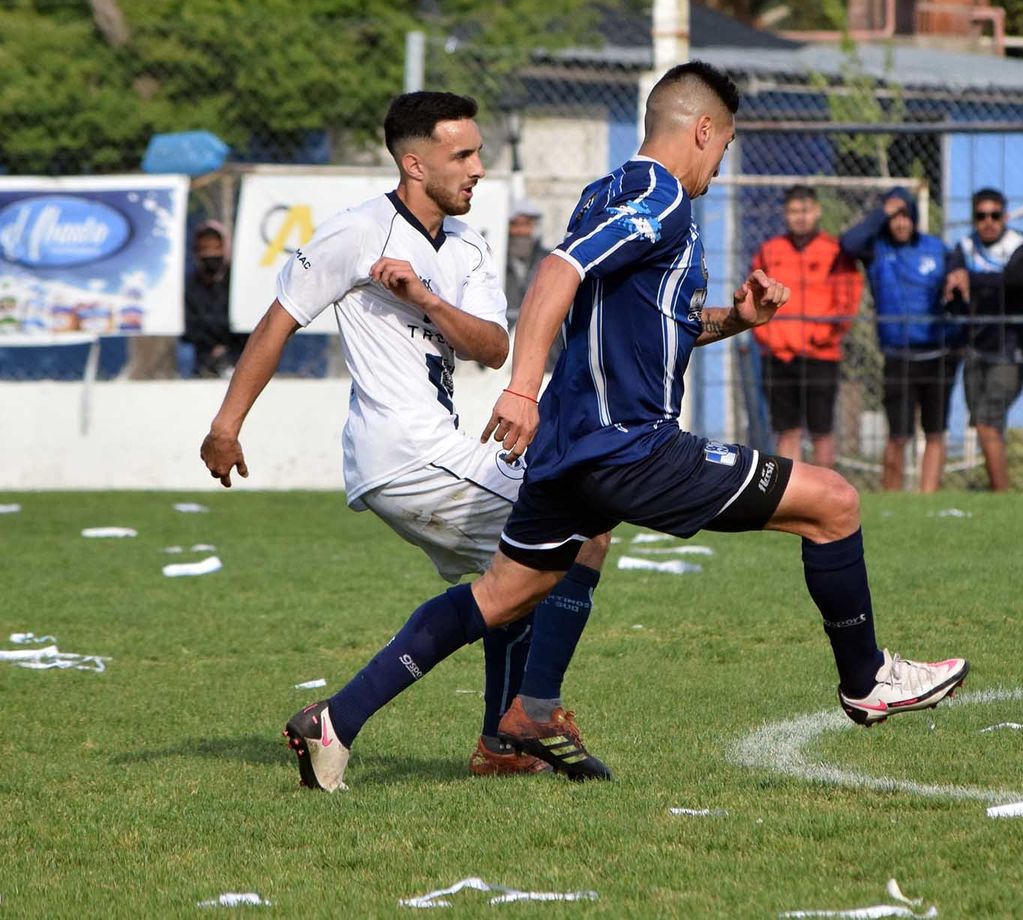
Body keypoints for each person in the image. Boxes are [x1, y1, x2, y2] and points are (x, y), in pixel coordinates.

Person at [281, 61, 968, 793]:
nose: (718, 164)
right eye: (724, 146)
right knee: (833, 503)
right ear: (703, 130)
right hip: (630, 446)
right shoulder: (662, 197)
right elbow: (557, 274)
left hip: (567, 455)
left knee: (503, 594)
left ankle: (346, 721)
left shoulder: (604, 192)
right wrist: (520, 391)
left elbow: (639, 324)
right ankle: (867, 680)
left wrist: (737, 319)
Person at [199, 91, 609, 787]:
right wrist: (226, 424)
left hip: (439, 446)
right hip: (403, 452)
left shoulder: (469, 243)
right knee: (580, 531)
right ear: (414, 164)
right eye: (463, 155)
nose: (478, 168)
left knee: (517, 575)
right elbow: (279, 322)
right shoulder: (358, 232)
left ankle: (461, 738)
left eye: (478, 152)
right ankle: (527, 715)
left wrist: (425, 298)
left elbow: (492, 346)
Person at [841, 188, 959, 492]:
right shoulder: (876, 249)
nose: (901, 223)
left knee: (935, 432)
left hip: (937, 355)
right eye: (895, 217)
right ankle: (892, 499)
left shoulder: (937, 249)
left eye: (906, 215)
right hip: (897, 356)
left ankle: (926, 498)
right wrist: (883, 211)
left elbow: (959, 284)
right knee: (898, 436)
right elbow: (848, 243)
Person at [750, 185, 863, 467]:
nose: (800, 217)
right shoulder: (770, 251)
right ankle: (790, 494)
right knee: (786, 430)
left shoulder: (835, 251)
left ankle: (824, 494)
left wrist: (820, 336)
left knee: (822, 430)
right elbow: (752, 298)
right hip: (778, 354)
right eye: (793, 211)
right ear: (785, 214)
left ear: (817, 211)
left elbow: (848, 301)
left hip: (821, 354)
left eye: (805, 210)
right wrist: (769, 337)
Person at [943, 189, 1023, 491]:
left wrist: (973, 279)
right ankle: (997, 488)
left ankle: (1002, 493)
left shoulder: (1020, 246)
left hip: (1011, 350)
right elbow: (953, 282)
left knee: (987, 421)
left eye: (995, 215)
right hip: (975, 348)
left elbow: (1016, 281)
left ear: (1005, 217)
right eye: (981, 216)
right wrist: (954, 281)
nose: (988, 222)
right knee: (982, 422)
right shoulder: (964, 247)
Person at [183, 221, 246, 377]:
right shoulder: (191, 285)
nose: (211, 255)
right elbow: (189, 327)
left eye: (216, 248)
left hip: (239, 354)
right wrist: (212, 348)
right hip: (204, 356)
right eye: (205, 249)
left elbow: (246, 323)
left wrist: (227, 349)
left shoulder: (238, 282)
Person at [503, 198, 547, 321]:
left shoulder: (548, 260)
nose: (520, 231)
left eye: (526, 224)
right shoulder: (494, 260)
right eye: (515, 224)